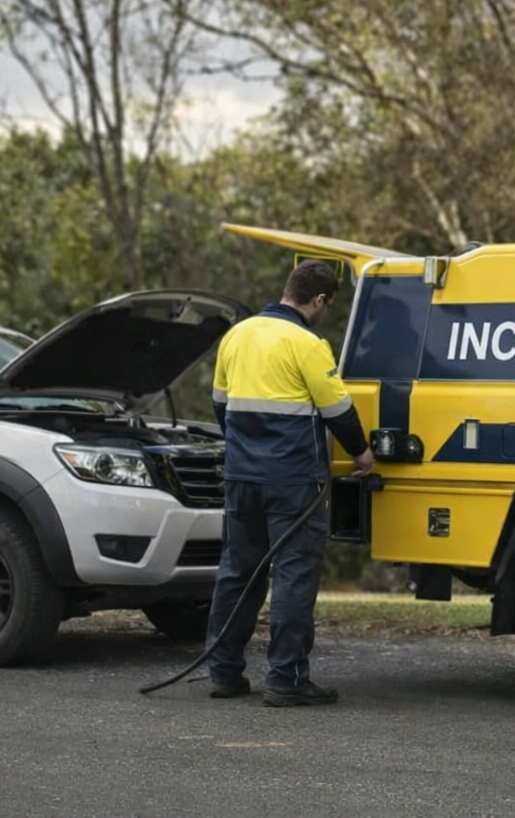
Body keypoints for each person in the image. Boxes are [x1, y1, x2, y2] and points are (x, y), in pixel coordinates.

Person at [204, 259, 376, 707]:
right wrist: (361, 452)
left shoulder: (236, 336)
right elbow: (337, 410)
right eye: (327, 304)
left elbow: (221, 408)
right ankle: (286, 678)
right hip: (294, 482)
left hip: (242, 478)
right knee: (294, 578)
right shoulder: (308, 343)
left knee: (238, 573)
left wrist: (247, 449)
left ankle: (223, 672)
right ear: (318, 300)